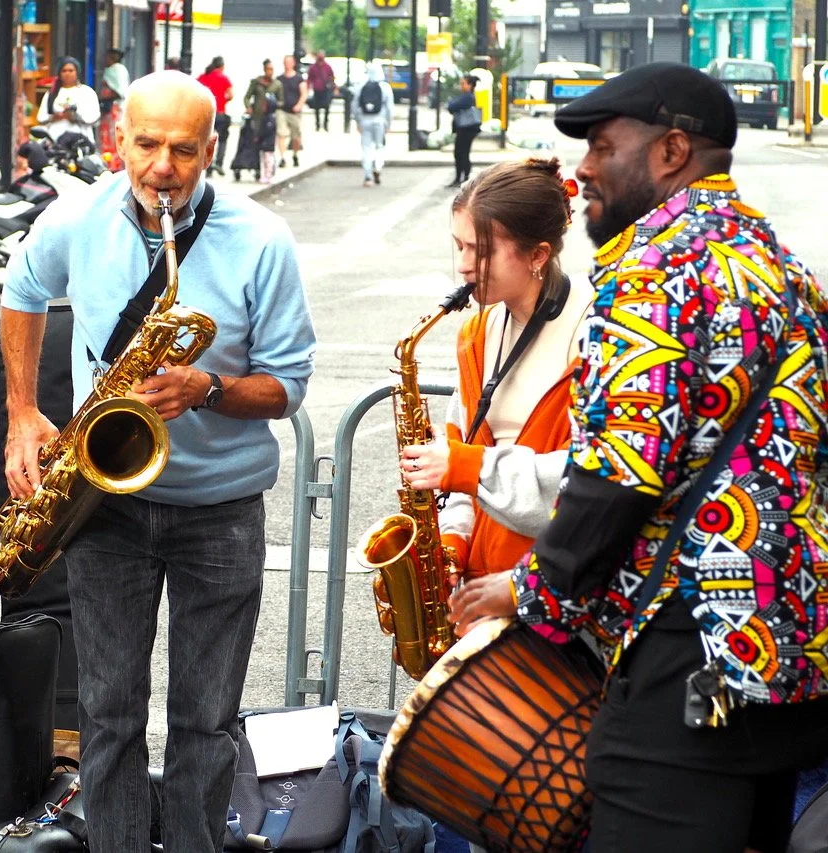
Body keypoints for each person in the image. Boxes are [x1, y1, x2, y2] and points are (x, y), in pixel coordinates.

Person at [450, 62, 828, 853]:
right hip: (784, 654)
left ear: (672, 151)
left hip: (684, 658)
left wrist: (532, 590)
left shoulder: (653, 267)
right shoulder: (780, 265)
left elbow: (623, 467)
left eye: (602, 145)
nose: (582, 167)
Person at [0, 70, 316, 853]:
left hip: (221, 510)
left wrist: (208, 387)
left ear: (212, 147)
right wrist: (20, 413)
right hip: (105, 508)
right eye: (146, 145)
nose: (163, 168)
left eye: (183, 149)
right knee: (108, 714)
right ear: (118, 139)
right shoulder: (75, 217)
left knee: (205, 720)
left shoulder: (261, 239)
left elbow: (288, 386)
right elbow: (22, 286)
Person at [402, 157, 593, 602]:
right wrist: (453, 543)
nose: (464, 267)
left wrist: (465, 467)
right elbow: (464, 450)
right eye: (459, 246)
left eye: (480, 251)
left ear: (538, 255)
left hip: (555, 591)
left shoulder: (595, 332)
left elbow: (595, 481)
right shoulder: (478, 333)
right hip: (484, 587)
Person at [37, 56, 101, 144]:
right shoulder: (51, 93)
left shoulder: (87, 92)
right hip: (55, 140)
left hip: (80, 140)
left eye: (71, 71)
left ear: (77, 72)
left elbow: (94, 118)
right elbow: (41, 117)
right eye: (64, 71)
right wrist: (54, 117)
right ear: (59, 73)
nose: (67, 74)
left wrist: (74, 117)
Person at [353, 61, 392, 187]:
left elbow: (354, 105)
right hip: (379, 120)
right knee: (379, 146)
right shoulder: (385, 87)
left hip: (365, 120)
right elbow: (390, 108)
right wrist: (389, 124)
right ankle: (378, 167)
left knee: (366, 148)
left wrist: (357, 121)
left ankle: (368, 175)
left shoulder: (361, 86)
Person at [243, 59, 282, 184]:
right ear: (264, 69)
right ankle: (257, 169)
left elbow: (282, 101)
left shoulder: (277, 84)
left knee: (267, 146)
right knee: (256, 144)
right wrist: (249, 107)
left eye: (272, 69)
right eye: (268, 69)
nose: (270, 72)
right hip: (257, 118)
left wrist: (273, 103)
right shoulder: (257, 82)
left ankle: (269, 170)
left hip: (269, 119)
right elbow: (247, 97)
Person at [197, 55, 233, 178]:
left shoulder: (203, 77)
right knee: (222, 139)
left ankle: (208, 166)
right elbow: (231, 94)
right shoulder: (224, 78)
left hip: (206, 114)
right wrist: (222, 100)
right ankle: (219, 162)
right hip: (221, 113)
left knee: (206, 140)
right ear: (222, 66)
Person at [98, 48, 130, 170]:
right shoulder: (120, 69)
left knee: (112, 137)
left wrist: (102, 98)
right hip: (112, 109)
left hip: (114, 109)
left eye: (107, 57)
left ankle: (113, 165)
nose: (104, 60)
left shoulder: (115, 70)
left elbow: (119, 91)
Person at [447, 74, 481, 187]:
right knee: (461, 153)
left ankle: (463, 178)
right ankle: (462, 177)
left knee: (461, 153)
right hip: (465, 129)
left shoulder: (468, 97)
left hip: (466, 129)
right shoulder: (467, 96)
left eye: (463, 83)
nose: (461, 86)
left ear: (470, 85)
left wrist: (452, 104)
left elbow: (452, 107)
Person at [275, 55, 307, 168]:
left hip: (294, 111)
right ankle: (283, 157)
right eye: (285, 62)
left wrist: (299, 105)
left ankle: (295, 154)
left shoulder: (299, 78)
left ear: (293, 63)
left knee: (296, 136)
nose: (287, 64)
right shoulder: (279, 79)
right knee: (281, 133)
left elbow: (304, 93)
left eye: (289, 62)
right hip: (282, 110)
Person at [306, 50, 336, 132]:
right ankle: (317, 124)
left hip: (325, 90)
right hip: (317, 89)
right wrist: (308, 88)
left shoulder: (327, 67)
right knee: (316, 107)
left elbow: (332, 77)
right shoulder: (313, 67)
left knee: (327, 107)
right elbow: (309, 79)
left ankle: (325, 124)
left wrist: (334, 87)